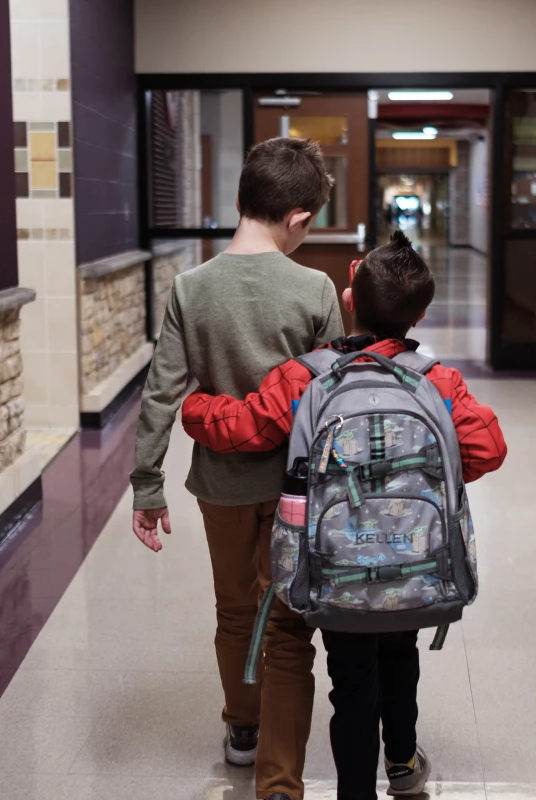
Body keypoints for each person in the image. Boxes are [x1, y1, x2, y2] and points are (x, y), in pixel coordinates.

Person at [180, 231, 508, 799]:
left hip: (337, 572)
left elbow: (249, 428)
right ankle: (402, 763)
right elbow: (487, 450)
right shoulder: (438, 381)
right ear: (420, 315)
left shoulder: (308, 375)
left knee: (352, 681)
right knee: (401, 657)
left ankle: (355, 790)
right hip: (413, 566)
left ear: (349, 299)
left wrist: (196, 406)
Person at [129, 137, 345, 800]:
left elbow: (161, 393)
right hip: (295, 492)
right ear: (299, 218)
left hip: (219, 486)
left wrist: (147, 484)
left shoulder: (190, 288)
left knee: (233, 609)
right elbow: (333, 401)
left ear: (239, 199)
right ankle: (279, 782)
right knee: (288, 624)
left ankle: (242, 728)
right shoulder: (315, 289)